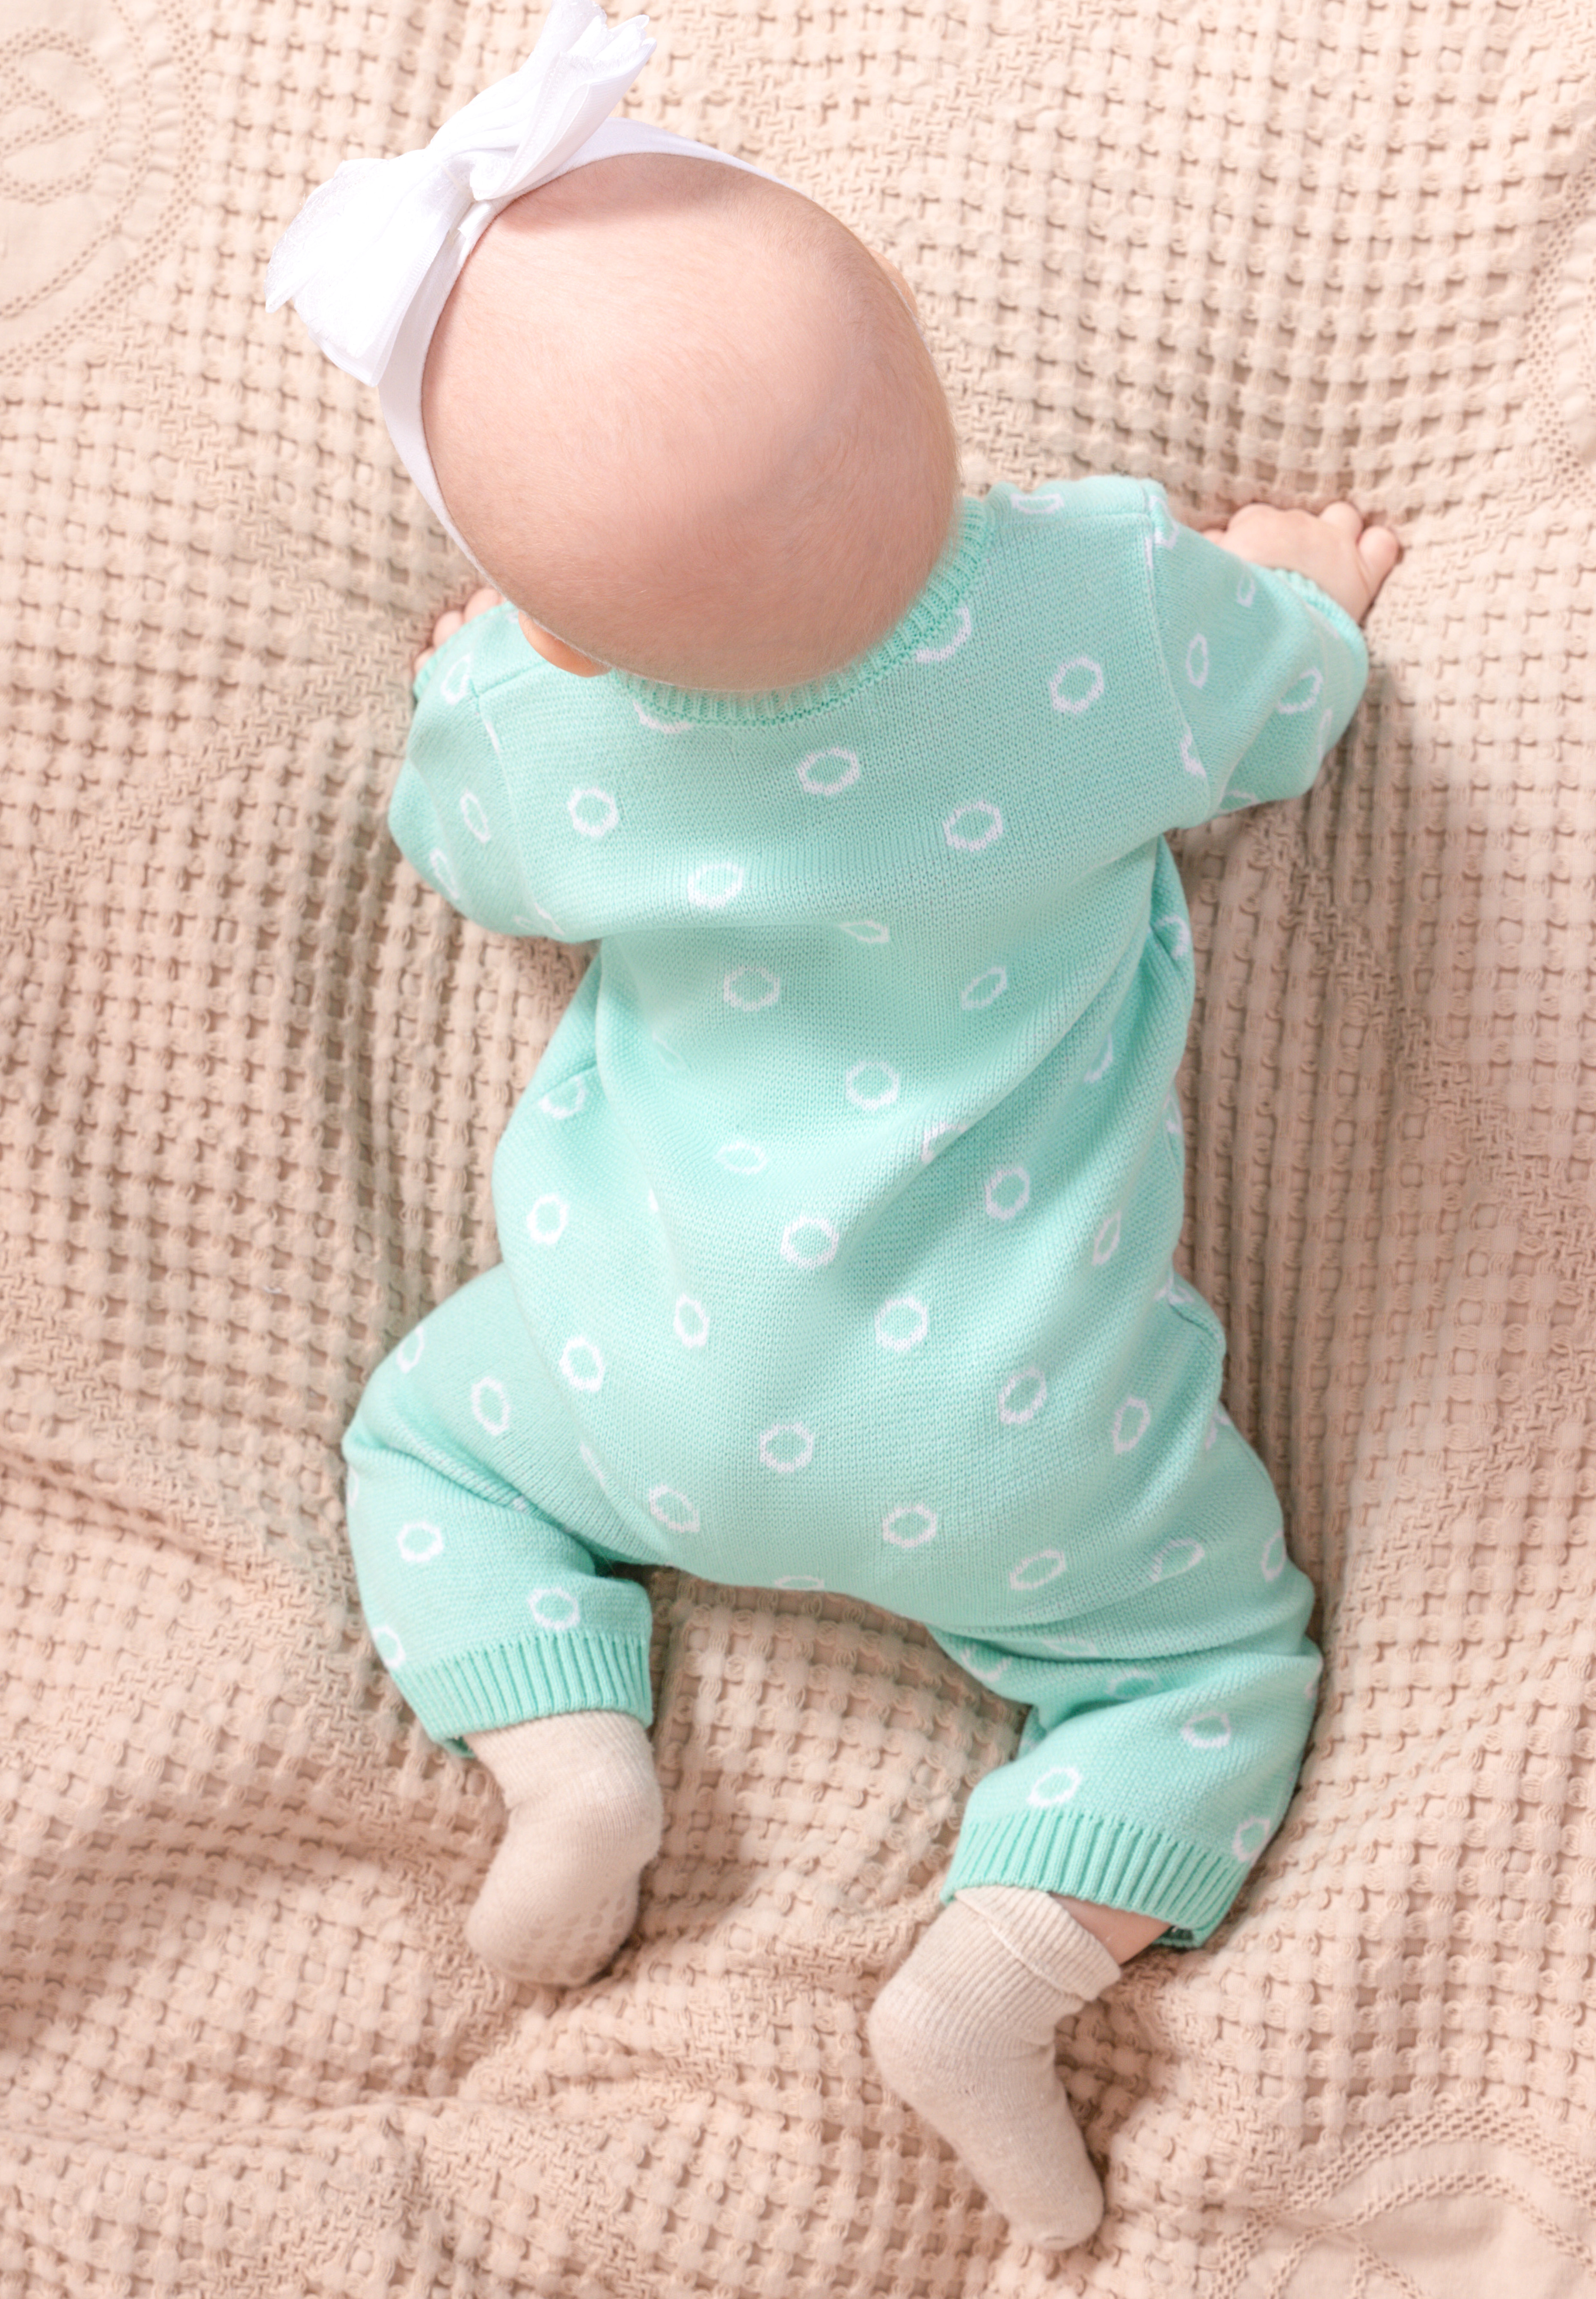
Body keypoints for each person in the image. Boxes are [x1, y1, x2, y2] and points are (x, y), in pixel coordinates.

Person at [269, 0, 1399, 2249]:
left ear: (552, 618)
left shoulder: (545, 730)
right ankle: (1000, 1972)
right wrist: (1306, 589)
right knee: (1206, 1669)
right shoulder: (1106, 613)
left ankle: (571, 1766)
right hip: (1025, 1438)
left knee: (424, 1450)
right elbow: (1294, 702)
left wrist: (478, 667)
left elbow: (462, 847)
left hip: (630, 1381)